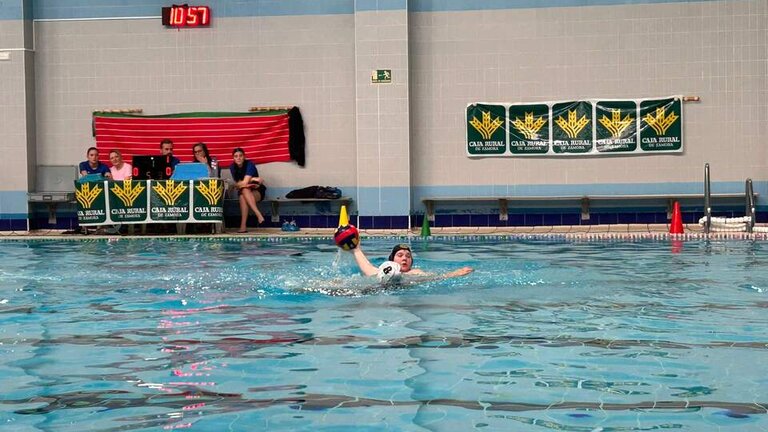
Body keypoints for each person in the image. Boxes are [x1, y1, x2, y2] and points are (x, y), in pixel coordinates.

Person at [351, 243, 473, 279]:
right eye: (400, 255)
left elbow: (436, 278)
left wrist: (455, 273)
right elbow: (366, 267)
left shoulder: (415, 273)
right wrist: (356, 248)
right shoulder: (382, 271)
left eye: (408, 256)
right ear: (391, 260)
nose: (404, 258)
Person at [229, 147, 266, 233]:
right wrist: (253, 179)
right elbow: (238, 184)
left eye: (240, 156)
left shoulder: (250, 164)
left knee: (244, 190)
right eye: (236, 156)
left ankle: (248, 222)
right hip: (244, 191)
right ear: (233, 158)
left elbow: (243, 183)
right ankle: (254, 217)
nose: (238, 158)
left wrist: (239, 185)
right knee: (243, 194)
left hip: (257, 191)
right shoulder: (232, 167)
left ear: (244, 157)